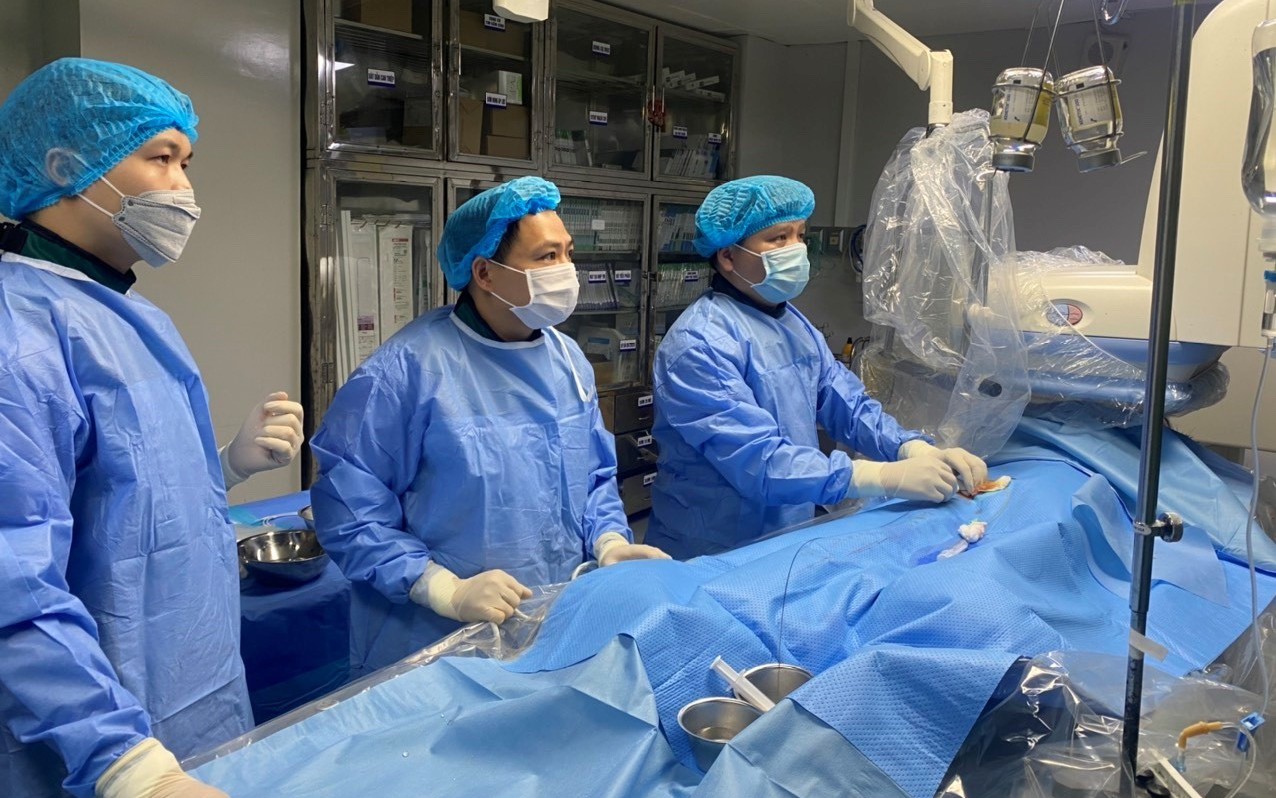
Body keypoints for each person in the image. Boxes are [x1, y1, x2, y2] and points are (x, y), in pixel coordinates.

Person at [0, 59, 304, 798]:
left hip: (186, 693)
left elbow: (114, 496)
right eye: (160, 158)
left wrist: (226, 465)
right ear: (65, 167)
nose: (182, 188)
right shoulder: (19, 331)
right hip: (89, 740)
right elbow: (13, 576)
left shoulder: (129, 313)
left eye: (186, 163)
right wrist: (123, 762)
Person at [311, 176, 668, 678]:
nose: (567, 271)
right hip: (434, 644)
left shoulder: (568, 361)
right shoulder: (405, 373)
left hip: (555, 622)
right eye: (546, 257)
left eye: (568, 253)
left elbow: (593, 476)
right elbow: (349, 509)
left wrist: (608, 541)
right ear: (484, 272)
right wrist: (443, 589)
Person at [646, 175, 987, 559]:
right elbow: (760, 462)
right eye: (778, 238)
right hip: (712, 547)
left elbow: (847, 405)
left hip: (787, 530)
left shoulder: (792, 323)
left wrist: (910, 448)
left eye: (800, 235)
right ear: (728, 257)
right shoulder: (699, 344)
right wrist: (879, 476)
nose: (796, 249)